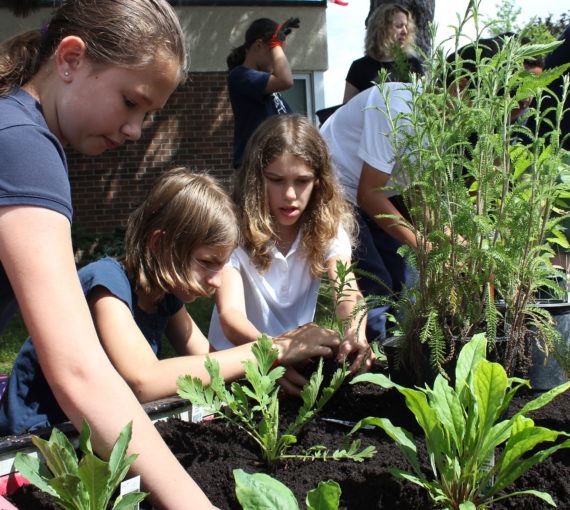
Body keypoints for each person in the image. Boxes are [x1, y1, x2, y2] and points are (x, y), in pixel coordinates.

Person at [1, 1, 213, 507]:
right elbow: (79, 371)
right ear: (71, 59)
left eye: (148, 115)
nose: (136, 130)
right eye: (130, 101)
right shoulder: (24, 147)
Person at [0, 168, 341, 435]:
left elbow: (210, 364)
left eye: (222, 266)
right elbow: (144, 381)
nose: (217, 281)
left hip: (91, 429)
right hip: (38, 439)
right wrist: (273, 348)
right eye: (207, 262)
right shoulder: (107, 285)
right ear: (159, 244)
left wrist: (267, 376)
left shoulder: (165, 299)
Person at [208, 115, 372, 394]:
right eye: (276, 180)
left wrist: (355, 330)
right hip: (235, 367)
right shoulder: (233, 229)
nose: (290, 194)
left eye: (302, 181)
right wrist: (275, 353)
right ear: (257, 179)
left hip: (294, 360)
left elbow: (346, 291)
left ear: (319, 181)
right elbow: (231, 317)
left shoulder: (327, 228)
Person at [321, 83, 417, 342]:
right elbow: (368, 194)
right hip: (337, 184)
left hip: (378, 191)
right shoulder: (394, 106)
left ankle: (398, 353)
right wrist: (424, 245)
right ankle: (370, 359)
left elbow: (421, 200)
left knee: (402, 277)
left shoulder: (444, 128)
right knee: (376, 282)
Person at [226, 17, 299, 169]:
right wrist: (276, 44)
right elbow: (287, 81)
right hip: (255, 166)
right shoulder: (240, 76)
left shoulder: (267, 84)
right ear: (259, 45)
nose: (278, 59)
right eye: (274, 51)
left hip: (275, 165)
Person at [343, 3, 422, 103]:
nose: (405, 31)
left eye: (406, 26)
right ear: (381, 28)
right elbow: (347, 111)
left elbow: (423, 106)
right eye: (399, 26)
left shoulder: (413, 65)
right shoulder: (359, 68)